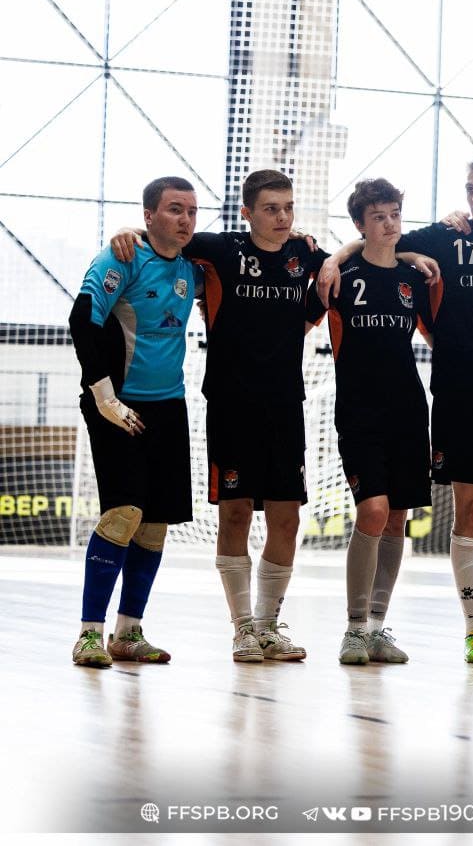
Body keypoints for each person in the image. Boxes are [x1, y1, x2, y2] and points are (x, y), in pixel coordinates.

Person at [316, 157, 473, 667]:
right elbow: (378, 244)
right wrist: (335, 257)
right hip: (455, 396)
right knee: (466, 511)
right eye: (471, 188)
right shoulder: (444, 236)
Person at [113, 169, 326, 663]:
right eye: (270, 209)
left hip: (285, 406)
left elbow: (354, 257)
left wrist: (350, 258)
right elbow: (167, 235)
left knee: (287, 518)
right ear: (247, 213)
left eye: (288, 208)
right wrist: (128, 231)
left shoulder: (303, 253)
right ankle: (242, 628)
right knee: (234, 513)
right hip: (231, 405)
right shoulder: (221, 249)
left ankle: (269, 626)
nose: (282, 217)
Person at [67, 176, 201, 667]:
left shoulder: (194, 266)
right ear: (149, 216)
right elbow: (81, 321)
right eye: (174, 209)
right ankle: (89, 634)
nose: (185, 219)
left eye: (191, 211)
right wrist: (104, 396)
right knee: (123, 513)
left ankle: (128, 633)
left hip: (169, 406)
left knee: (154, 524)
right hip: (117, 404)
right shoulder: (120, 257)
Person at [305, 178, 432, 665]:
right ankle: (355, 629)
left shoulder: (414, 279)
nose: (389, 223)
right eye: (378, 216)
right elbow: (299, 322)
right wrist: (337, 257)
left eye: (395, 214)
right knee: (373, 511)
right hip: (359, 410)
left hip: (408, 410)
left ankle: (378, 628)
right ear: (359, 224)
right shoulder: (340, 274)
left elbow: (440, 336)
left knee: (397, 516)